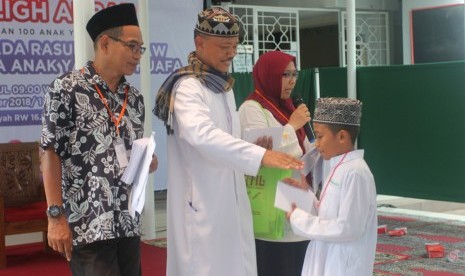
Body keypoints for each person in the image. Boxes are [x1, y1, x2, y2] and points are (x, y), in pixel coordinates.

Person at [153, 7, 303, 276]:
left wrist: (260, 147)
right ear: (200, 43)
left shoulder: (223, 88)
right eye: (224, 46)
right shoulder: (188, 86)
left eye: (234, 46)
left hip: (232, 199)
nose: (231, 53)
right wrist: (259, 156)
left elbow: (229, 140)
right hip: (202, 204)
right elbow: (203, 135)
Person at [40, 4, 158, 276]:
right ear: (105, 43)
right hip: (88, 223)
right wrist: (55, 216)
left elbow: (126, 154)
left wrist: (145, 162)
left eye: (141, 48)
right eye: (131, 46)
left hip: (127, 221)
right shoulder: (67, 88)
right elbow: (50, 152)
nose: (137, 55)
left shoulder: (134, 98)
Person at [238, 51, 313, 276]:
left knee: (298, 257)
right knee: (275, 261)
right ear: (268, 74)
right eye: (284, 74)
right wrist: (291, 126)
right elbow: (263, 155)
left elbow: (302, 154)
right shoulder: (252, 108)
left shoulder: (288, 107)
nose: (291, 80)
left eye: (294, 74)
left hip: (295, 193)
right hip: (270, 196)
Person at [286, 97, 377, 276]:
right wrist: (307, 195)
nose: (317, 144)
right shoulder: (339, 166)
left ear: (342, 136)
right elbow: (327, 213)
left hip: (343, 265)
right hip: (328, 258)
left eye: (320, 136)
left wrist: (299, 219)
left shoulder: (356, 172)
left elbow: (348, 228)